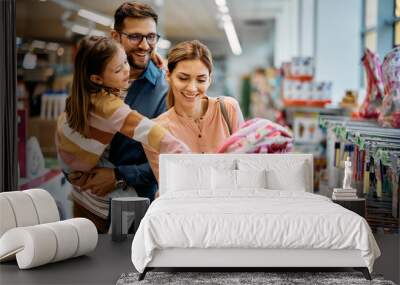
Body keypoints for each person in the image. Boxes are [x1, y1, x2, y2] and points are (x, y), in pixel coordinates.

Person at [66, 2, 169, 231]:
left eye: (151, 37)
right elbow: (73, 121)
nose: (145, 45)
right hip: (84, 203)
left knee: (123, 266)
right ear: (115, 36)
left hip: (130, 210)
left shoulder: (163, 90)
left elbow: (168, 159)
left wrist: (118, 176)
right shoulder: (94, 74)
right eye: (135, 37)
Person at [144, 40, 244, 183]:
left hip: (231, 202)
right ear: (168, 75)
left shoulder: (228, 109)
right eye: (183, 78)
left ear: (209, 79)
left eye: (201, 79)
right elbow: (168, 186)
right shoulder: (155, 130)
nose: (192, 88)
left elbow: (246, 168)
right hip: (184, 205)